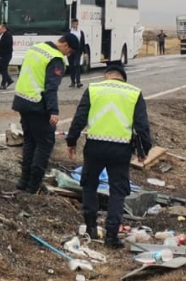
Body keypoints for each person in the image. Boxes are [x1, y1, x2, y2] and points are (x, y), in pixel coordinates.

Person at [65, 62, 151, 249]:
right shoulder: (133, 92)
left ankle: (91, 228)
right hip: (121, 149)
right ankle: (111, 236)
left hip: (95, 146)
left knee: (89, 185)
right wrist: (144, 150)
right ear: (123, 78)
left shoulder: (94, 89)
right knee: (117, 191)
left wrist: (71, 141)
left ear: (107, 75)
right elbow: (142, 125)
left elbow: (80, 117)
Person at [12, 35, 73, 193]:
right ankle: (34, 186)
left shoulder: (36, 48)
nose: (69, 54)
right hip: (37, 104)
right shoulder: (56, 58)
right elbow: (51, 87)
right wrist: (53, 111)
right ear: (65, 44)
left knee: (30, 141)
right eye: (70, 50)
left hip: (21, 100)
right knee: (45, 144)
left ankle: (23, 182)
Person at [66, 18, 86, 87]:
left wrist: (85, 52)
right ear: (71, 24)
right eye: (73, 24)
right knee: (71, 66)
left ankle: (78, 82)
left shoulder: (80, 32)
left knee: (77, 65)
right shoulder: (69, 32)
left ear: (78, 24)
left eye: (76, 24)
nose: (75, 25)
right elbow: (65, 41)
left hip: (78, 50)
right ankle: (72, 82)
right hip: (70, 51)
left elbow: (83, 42)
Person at [0, 23, 14, 90]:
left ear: (4, 28)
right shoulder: (2, 35)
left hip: (6, 55)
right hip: (1, 54)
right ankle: (9, 80)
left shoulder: (8, 35)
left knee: (4, 69)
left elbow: (6, 44)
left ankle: (3, 84)